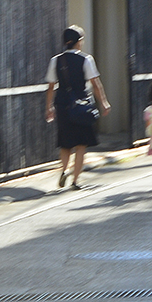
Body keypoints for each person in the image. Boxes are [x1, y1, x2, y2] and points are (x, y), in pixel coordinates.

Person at [44, 25, 110, 190]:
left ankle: (64, 169)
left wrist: (49, 107)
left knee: (65, 143)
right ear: (78, 42)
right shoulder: (86, 59)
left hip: (62, 104)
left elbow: (51, 86)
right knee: (81, 144)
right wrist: (103, 102)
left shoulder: (56, 60)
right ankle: (75, 181)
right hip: (81, 104)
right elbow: (96, 83)